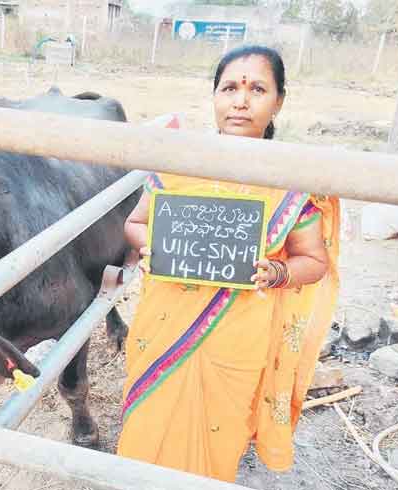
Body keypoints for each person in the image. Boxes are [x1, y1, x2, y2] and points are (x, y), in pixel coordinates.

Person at [117, 45, 341, 482]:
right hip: (163, 328)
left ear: (278, 102)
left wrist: (278, 272)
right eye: (229, 88)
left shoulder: (290, 181)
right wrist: (157, 247)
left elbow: (313, 260)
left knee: (217, 437)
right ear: (214, 97)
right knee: (147, 431)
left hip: (237, 337)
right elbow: (135, 224)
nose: (241, 100)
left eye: (257, 88)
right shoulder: (180, 163)